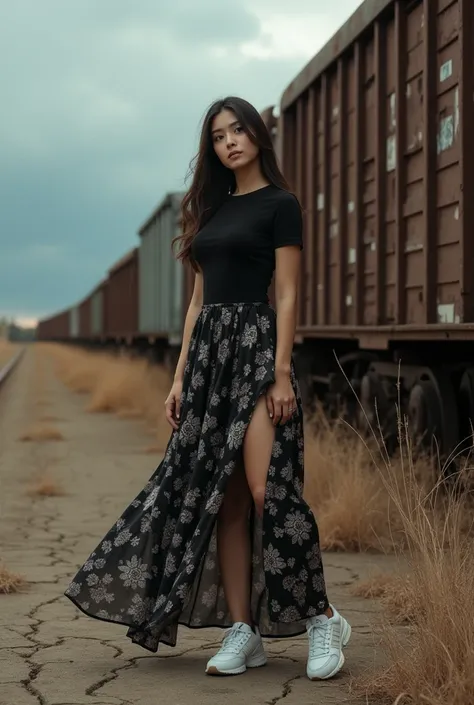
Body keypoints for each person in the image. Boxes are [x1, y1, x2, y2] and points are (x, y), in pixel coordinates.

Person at [64, 96, 351, 681]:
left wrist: (280, 372)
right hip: (207, 363)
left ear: (257, 136)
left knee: (269, 490)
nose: (230, 142)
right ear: (212, 148)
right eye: (219, 136)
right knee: (225, 500)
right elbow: (196, 302)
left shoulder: (281, 205)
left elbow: (289, 295)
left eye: (238, 130)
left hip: (255, 351)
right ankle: (242, 630)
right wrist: (178, 376)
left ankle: (323, 619)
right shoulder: (210, 211)